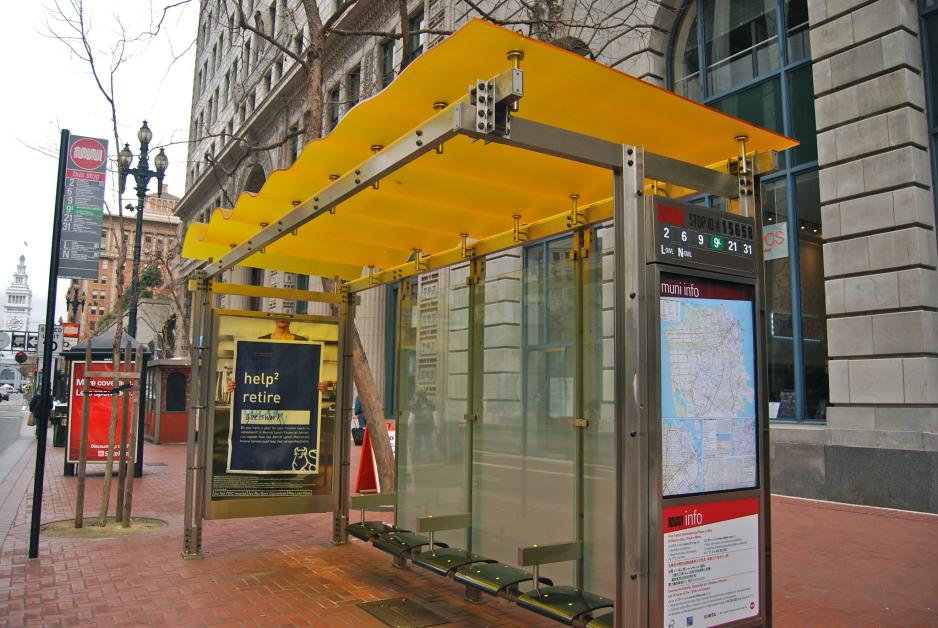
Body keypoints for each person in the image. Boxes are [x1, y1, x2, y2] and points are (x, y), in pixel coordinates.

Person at [408, 389, 436, 460]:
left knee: (417, 441)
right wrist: (435, 423)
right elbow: (434, 413)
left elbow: (412, 414)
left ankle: (416, 456)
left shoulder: (416, 403)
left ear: (418, 396)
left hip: (418, 424)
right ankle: (431, 455)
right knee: (428, 440)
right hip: (429, 424)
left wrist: (408, 424)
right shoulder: (430, 402)